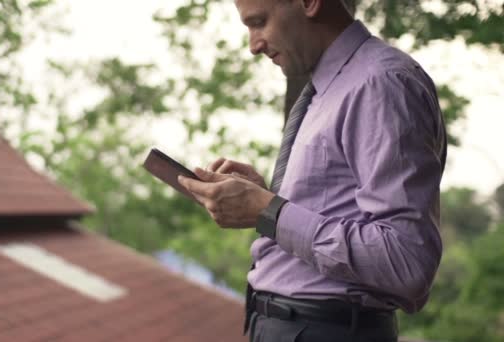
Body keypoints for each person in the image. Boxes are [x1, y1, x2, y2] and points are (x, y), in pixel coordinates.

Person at [178, 0, 447, 341]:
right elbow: (335, 212)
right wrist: (265, 200)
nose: (253, 45)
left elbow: (407, 262)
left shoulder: (381, 83)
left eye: (259, 22)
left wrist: (269, 211)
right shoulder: (329, 88)